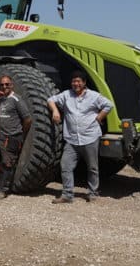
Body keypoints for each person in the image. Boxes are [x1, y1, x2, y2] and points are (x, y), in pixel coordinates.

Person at [48, 71, 112, 204]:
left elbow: (108, 105)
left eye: (78, 81)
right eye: (73, 81)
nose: (75, 84)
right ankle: (67, 194)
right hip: (71, 139)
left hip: (90, 137)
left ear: (84, 83)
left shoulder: (94, 96)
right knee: (65, 165)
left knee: (92, 167)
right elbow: (51, 100)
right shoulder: (67, 95)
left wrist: (99, 117)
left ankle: (93, 193)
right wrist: (55, 110)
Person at [0, 75, 31, 199]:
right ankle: (8, 161)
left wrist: (21, 133)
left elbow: (27, 119)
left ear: (12, 85)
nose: (4, 86)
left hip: (12, 136)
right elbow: (1, 117)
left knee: (7, 164)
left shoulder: (16, 100)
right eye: (2, 85)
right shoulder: (1, 100)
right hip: (1, 135)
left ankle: (2, 190)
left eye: (7, 84)